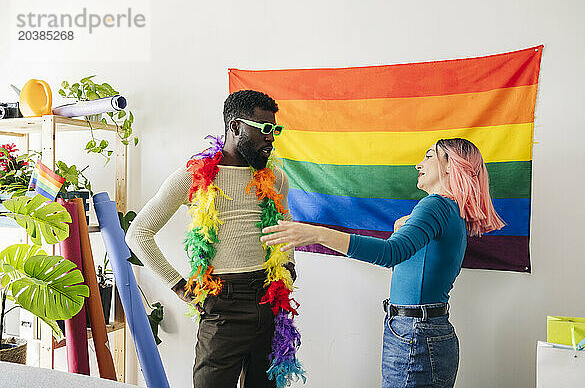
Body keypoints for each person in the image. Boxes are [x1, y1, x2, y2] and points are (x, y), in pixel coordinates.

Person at [260, 138, 504, 388]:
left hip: (415, 334)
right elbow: (407, 256)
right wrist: (404, 227)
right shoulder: (452, 209)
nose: (419, 165)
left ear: (451, 165)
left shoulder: (435, 206)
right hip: (428, 331)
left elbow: (390, 253)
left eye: (429, 156)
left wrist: (317, 234)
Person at [126, 90, 300, 388]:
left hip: (270, 300)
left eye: (275, 129)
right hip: (224, 304)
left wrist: (289, 268)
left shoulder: (276, 178)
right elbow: (138, 233)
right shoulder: (193, 177)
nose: (271, 138)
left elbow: (284, 228)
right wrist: (179, 286)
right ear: (235, 127)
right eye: (265, 129)